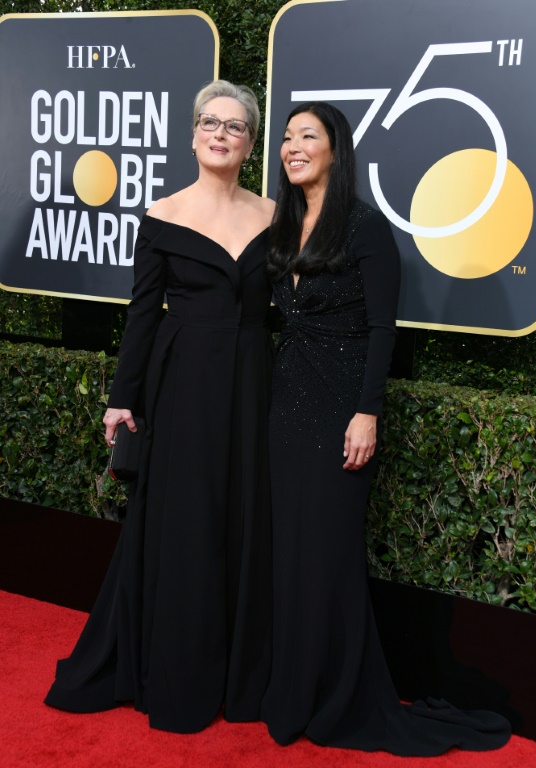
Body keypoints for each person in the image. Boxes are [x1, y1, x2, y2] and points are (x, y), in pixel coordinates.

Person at [261, 101, 511, 755]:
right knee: (288, 559)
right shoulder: (282, 226)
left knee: (327, 563)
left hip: (341, 414)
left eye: (306, 136)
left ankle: (338, 696)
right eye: (286, 137)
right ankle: (290, 691)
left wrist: (367, 411)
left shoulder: (366, 228)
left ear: (336, 151)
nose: (291, 147)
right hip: (284, 411)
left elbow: (382, 329)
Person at [45, 80, 276, 734]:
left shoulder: (271, 216)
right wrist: (123, 399)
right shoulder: (164, 212)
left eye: (235, 126)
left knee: (243, 515)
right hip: (185, 388)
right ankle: (179, 669)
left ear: (250, 143)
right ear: (194, 134)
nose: (221, 133)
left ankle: (241, 670)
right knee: (189, 521)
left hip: (253, 382)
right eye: (211, 122)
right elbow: (142, 314)